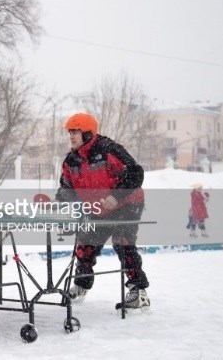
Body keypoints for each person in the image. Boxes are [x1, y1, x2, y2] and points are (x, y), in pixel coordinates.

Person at [55, 113, 151, 309]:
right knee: (86, 244)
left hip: (127, 203)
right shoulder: (71, 161)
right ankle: (81, 285)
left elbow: (135, 173)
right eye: (70, 132)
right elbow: (66, 188)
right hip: (99, 208)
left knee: (122, 242)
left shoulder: (108, 149)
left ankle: (138, 292)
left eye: (76, 132)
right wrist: (63, 205)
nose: (71, 136)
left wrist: (116, 196)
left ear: (88, 134)